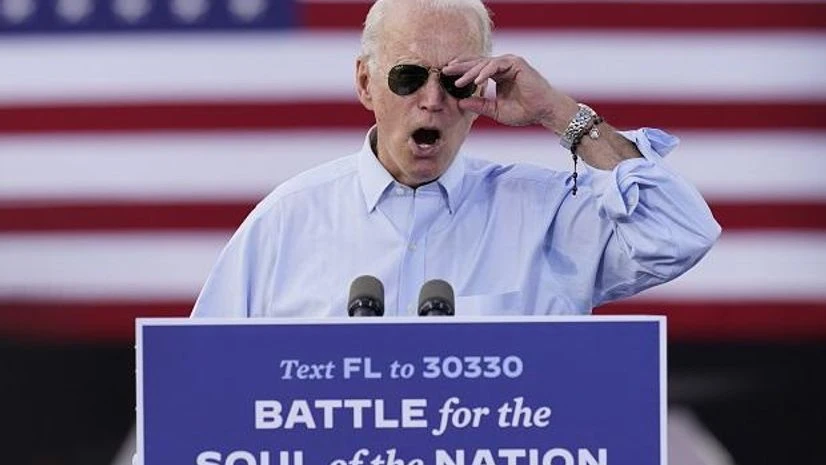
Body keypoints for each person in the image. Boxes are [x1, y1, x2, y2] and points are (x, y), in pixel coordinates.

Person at [191, 0, 720, 318]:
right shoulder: (288, 222)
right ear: (364, 83)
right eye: (409, 76)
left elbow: (681, 232)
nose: (432, 99)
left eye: (455, 79)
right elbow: (196, 385)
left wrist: (558, 113)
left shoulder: (545, 215)